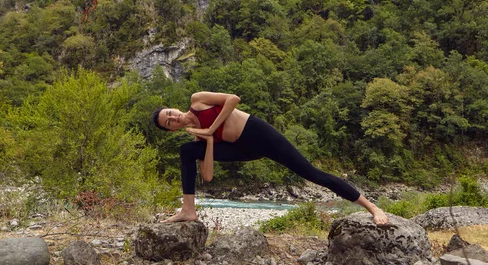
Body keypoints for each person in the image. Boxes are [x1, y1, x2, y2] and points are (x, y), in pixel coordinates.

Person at [152, 91, 388, 225]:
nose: (173, 118)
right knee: (188, 151)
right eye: (168, 122)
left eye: (170, 113)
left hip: (258, 134)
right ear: (171, 130)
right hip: (243, 149)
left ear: (174, 108)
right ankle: (188, 210)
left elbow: (233, 99)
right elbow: (208, 176)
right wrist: (209, 140)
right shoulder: (198, 138)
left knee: (313, 174)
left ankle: (372, 207)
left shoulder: (198, 101)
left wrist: (211, 129)